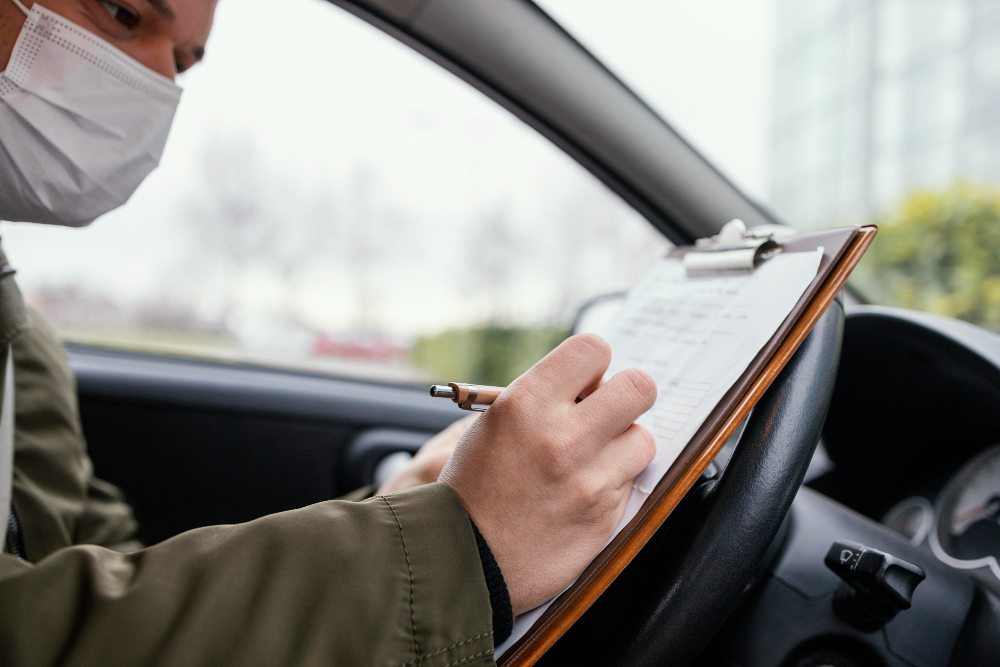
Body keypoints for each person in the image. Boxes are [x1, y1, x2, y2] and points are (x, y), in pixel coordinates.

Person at [0, 0, 658, 664]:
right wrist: (456, 550)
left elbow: (95, 572)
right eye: (123, 13)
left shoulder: (23, 340)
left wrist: (397, 516)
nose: (155, 81)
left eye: (182, 62)